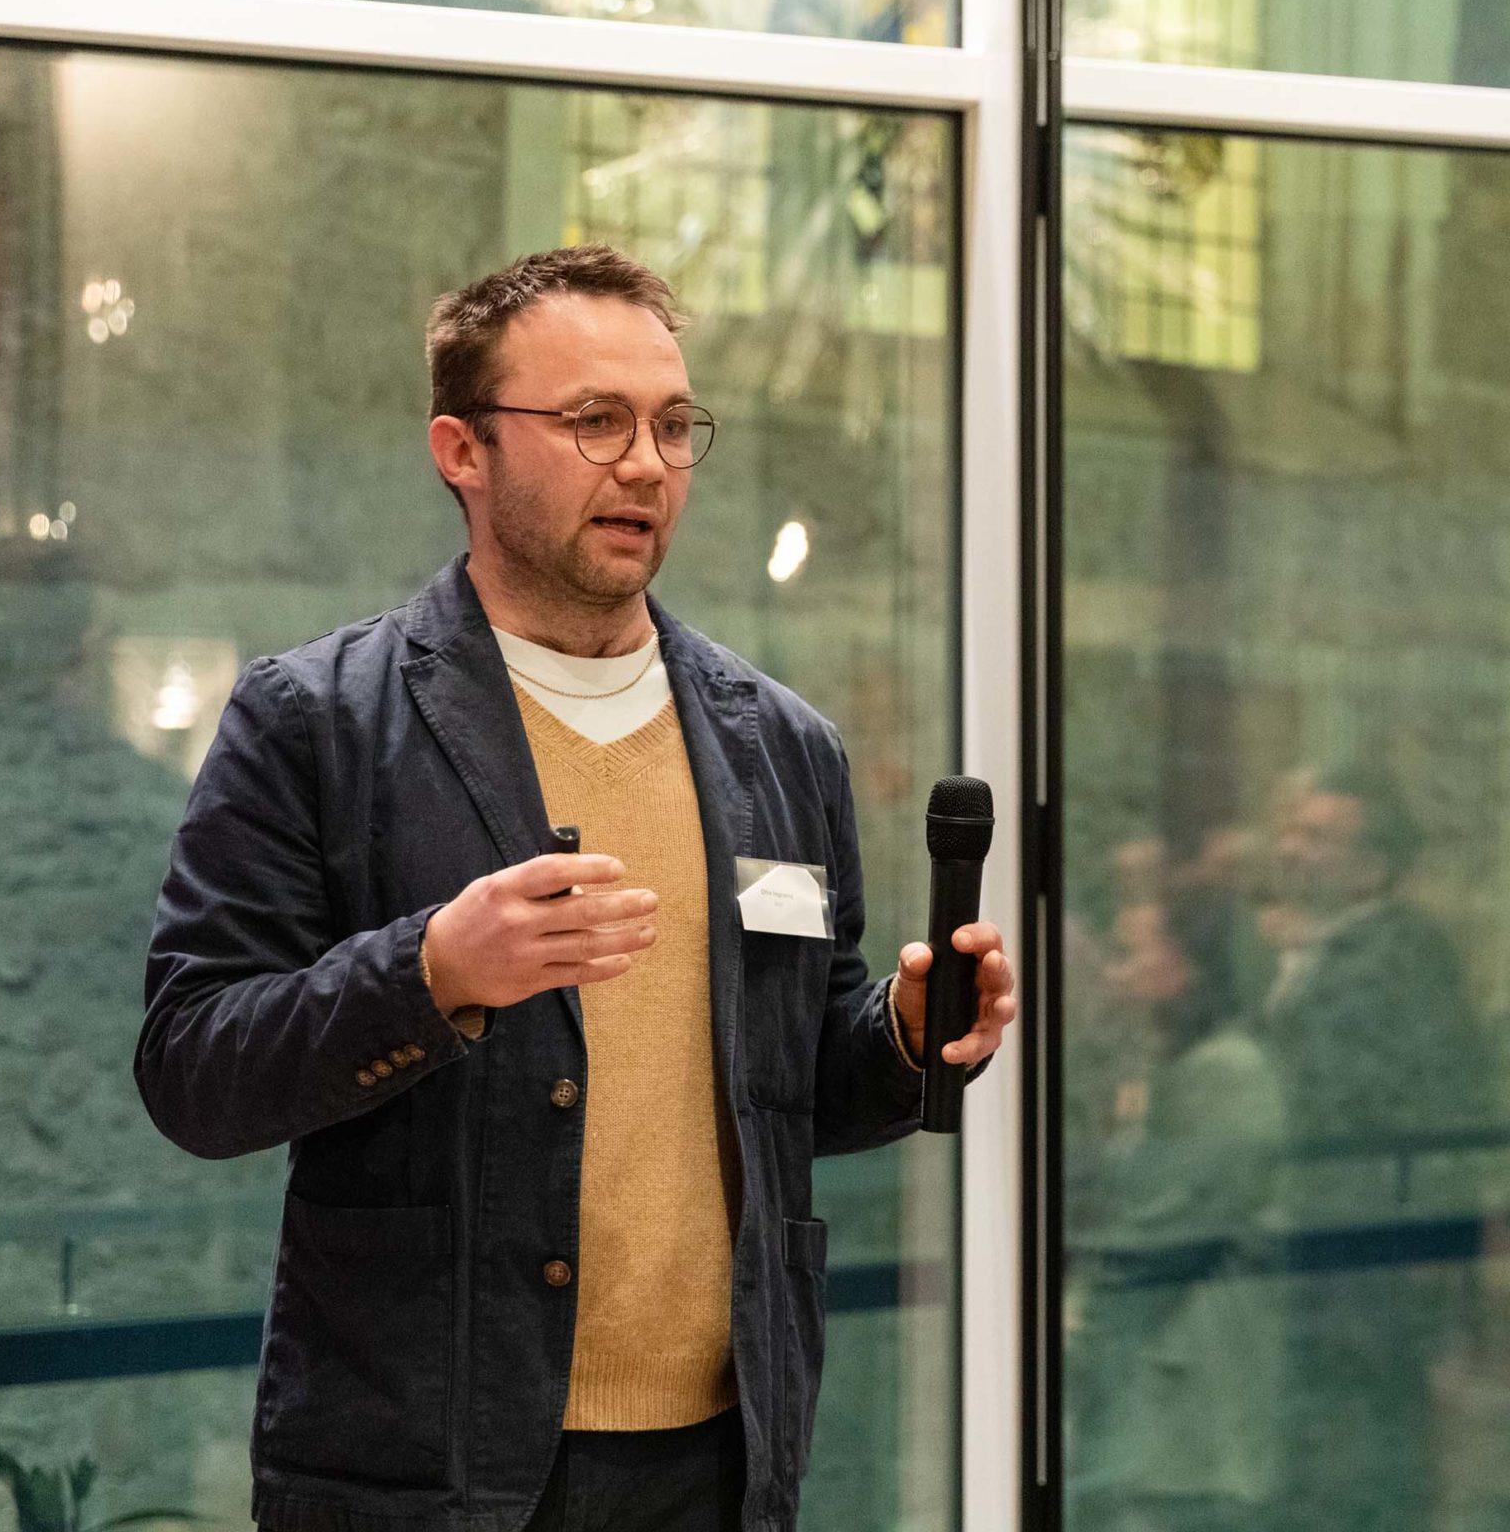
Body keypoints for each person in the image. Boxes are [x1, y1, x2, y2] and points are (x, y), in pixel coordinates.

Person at [135, 244, 1016, 1532]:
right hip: (427, 1472)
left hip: (722, 1460)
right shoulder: (313, 721)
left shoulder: (782, 747)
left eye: (672, 424)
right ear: (462, 449)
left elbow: (790, 1088)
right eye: (594, 421)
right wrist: (431, 973)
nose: (648, 464)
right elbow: (193, 1071)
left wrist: (900, 1035)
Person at [1263, 765, 1491, 1532]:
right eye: (1291, 829)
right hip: (1315, 1245)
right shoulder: (1308, 948)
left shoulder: (1402, 957)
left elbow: (1399, 1099)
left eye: (1319, 837)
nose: (1293, 850)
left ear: (1373, 864)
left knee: (1362, 1453)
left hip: (1367, 1248)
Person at [1066, 882, 1284, 1532]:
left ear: (1185, 969)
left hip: (1189, 1385)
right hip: (1162, 1375)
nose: (1118, 971)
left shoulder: (1226, 1074)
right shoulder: (1175, 1067)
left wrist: (1086, 1328)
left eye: (1137, 954)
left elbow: (1172, 1228)